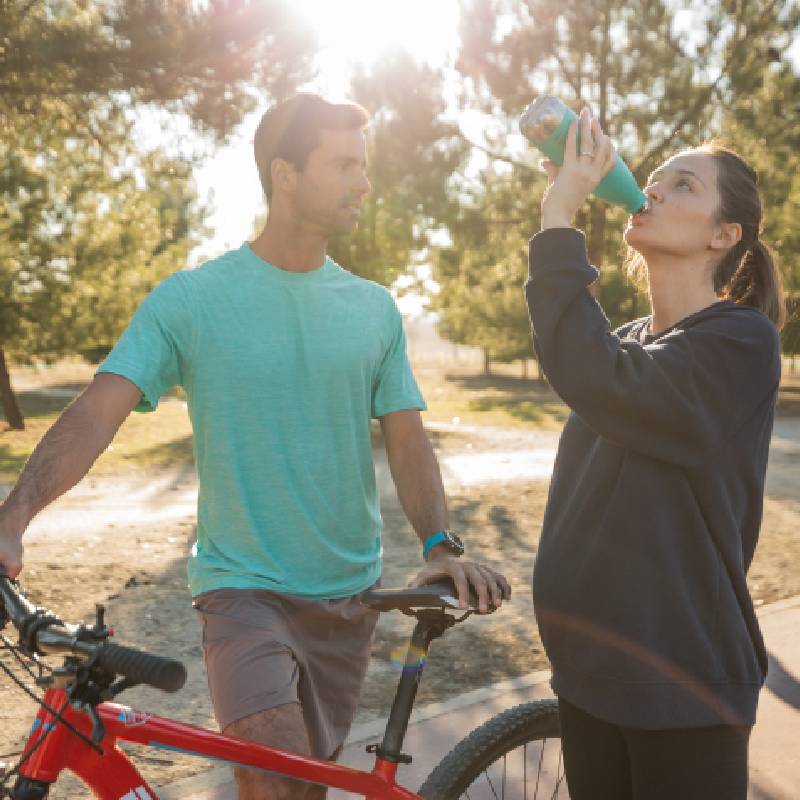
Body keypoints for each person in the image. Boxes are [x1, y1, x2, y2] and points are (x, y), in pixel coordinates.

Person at [0, 93, 510, 800]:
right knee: (272, 781)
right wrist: (14, 513)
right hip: (242, 592)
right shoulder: (193, 299)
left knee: (301, 788)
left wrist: (440, 545)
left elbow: (408, 439)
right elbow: (96, 413)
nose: (363, 183)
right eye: (344, 165)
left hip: (350, 598)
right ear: (285, 174)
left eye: (363, 165)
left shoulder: (372, 309)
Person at [525, 108, 784, 800]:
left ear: (723, 236)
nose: (657, 192)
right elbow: (591, 361)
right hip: (592, 675)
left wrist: (559, 216)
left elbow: (594, 373)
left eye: (684, 187)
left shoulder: (741, 342)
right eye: (656, 181)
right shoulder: (630, 339)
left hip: (684, 690)